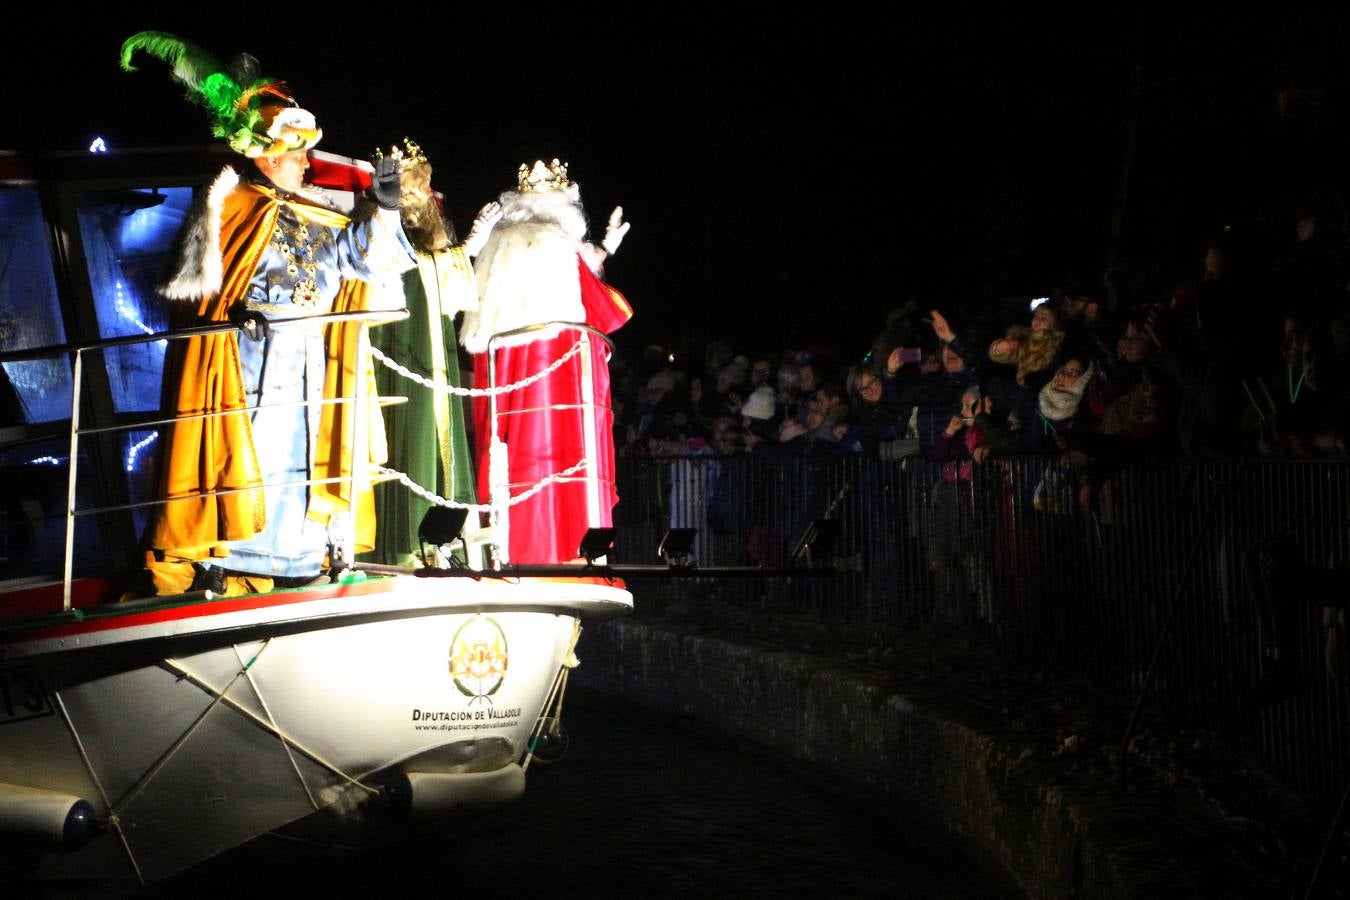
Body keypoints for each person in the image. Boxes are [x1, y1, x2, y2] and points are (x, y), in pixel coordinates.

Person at [122, 33, 415, 595]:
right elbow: (194, 295)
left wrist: (383, 208)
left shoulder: (316, 214)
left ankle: (301, 558)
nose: (308, 162)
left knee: (308, 453)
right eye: (299, 152)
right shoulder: (228, 204)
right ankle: (234, 557)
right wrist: (236, 322)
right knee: (253, 453)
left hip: (310, 364)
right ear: (269, 154)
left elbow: (366, 262)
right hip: (250, 365)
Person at [460, 159, 632, 564]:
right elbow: (606, 312)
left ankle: (505, 548)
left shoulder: (496, 247)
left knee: (510, 460)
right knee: (555, 460)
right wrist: (603, 254)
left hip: (505, 379)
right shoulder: (562, 247)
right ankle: (563, 548)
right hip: (555, 380)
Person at [368, 139, 502, 565]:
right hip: (403, 350)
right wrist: (468, 250)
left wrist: (466, 251)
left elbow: (447, 291)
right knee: (414, 433)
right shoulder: (380, 226)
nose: (427, 193)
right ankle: (407, 542)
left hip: (432, 354)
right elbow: (409, 269)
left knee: (437, 432)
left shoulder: (429, 235)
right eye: (420, 185)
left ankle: (439, 540)